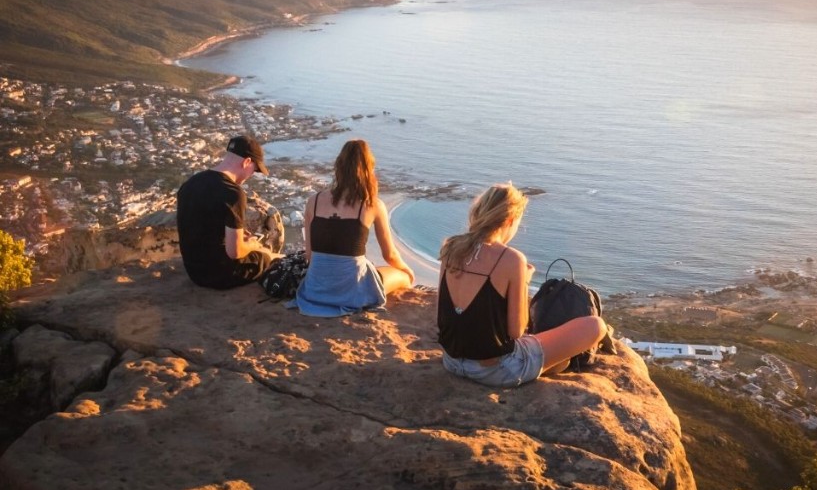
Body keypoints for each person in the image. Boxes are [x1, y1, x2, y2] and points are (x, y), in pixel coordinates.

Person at [437, 183, 606, 388]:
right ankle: (548, 365)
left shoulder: (450, 247)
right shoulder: (511, 259)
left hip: (452, 361)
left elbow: (444, 312)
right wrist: (523, 281)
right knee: (595, 326)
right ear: (509, 220)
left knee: (556, 354)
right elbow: (516, 331)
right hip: (496, 371)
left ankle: (553, 363)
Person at [289, 139, 414, 316]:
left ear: (338, 167)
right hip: (352, 293)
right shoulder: (373, 205)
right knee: (402, 276)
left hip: (315, 290)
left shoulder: (313, 202)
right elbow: (390, 255)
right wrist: (407, 269)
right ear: (369, 169)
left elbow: (309, 255)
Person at [176, 135, 283, 289]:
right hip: (220, 275)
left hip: (193, 271)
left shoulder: (190, 183)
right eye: (254, 170)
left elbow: (204, 227)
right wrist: (252, 245)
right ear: (247, 162)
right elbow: (236, 252)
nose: (252, 175)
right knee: (268, 257)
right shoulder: (233, 193)